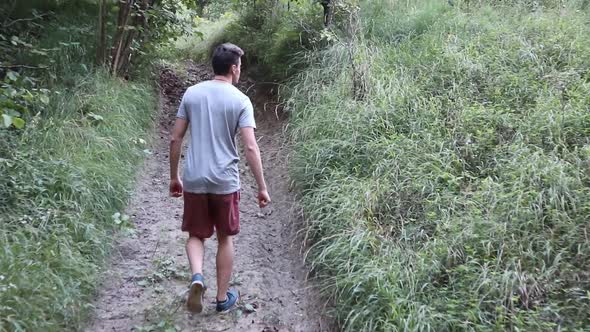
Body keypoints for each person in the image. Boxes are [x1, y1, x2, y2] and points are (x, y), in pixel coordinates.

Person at [168, 43, 271, 314]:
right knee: (225, 238)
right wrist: (262, 186)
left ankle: (197, 277)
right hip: (225, 181)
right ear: (234, 68)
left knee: (196, 235)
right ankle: (222, 298)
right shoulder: (240, 100)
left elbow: (175, 137)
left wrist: (174, 177)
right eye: (240, 67)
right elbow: (250, 147)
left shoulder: (192, 93)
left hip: (195, 178)